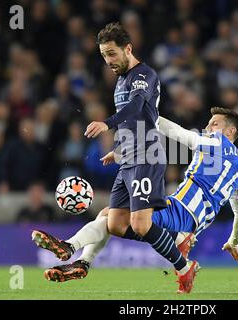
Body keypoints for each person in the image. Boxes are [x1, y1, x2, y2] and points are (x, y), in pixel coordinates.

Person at [32, 108, 238, 294]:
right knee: (110, 214)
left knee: (115, 219)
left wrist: (149, 113)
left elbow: (181, 135)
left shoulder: (217, 142)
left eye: (214, 124)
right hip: (188, 219)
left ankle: (71, 246)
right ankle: (82, 261)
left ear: (229, 131)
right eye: (209, 123)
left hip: (180, 211)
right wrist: (234, 241)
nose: (208, 127)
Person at [80, 22, 196, 290]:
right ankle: (178, 238)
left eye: (111, 53)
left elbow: (136, 106)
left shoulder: (144, 74)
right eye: (103, 55)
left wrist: (107, 124)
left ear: (127, 48)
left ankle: (184, 267)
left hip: (147, 154)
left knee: (141, 225)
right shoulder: (120, 81)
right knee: (117, 224)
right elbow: (135, 122)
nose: (108, 60)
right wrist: (119, 150)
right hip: (130, 155)